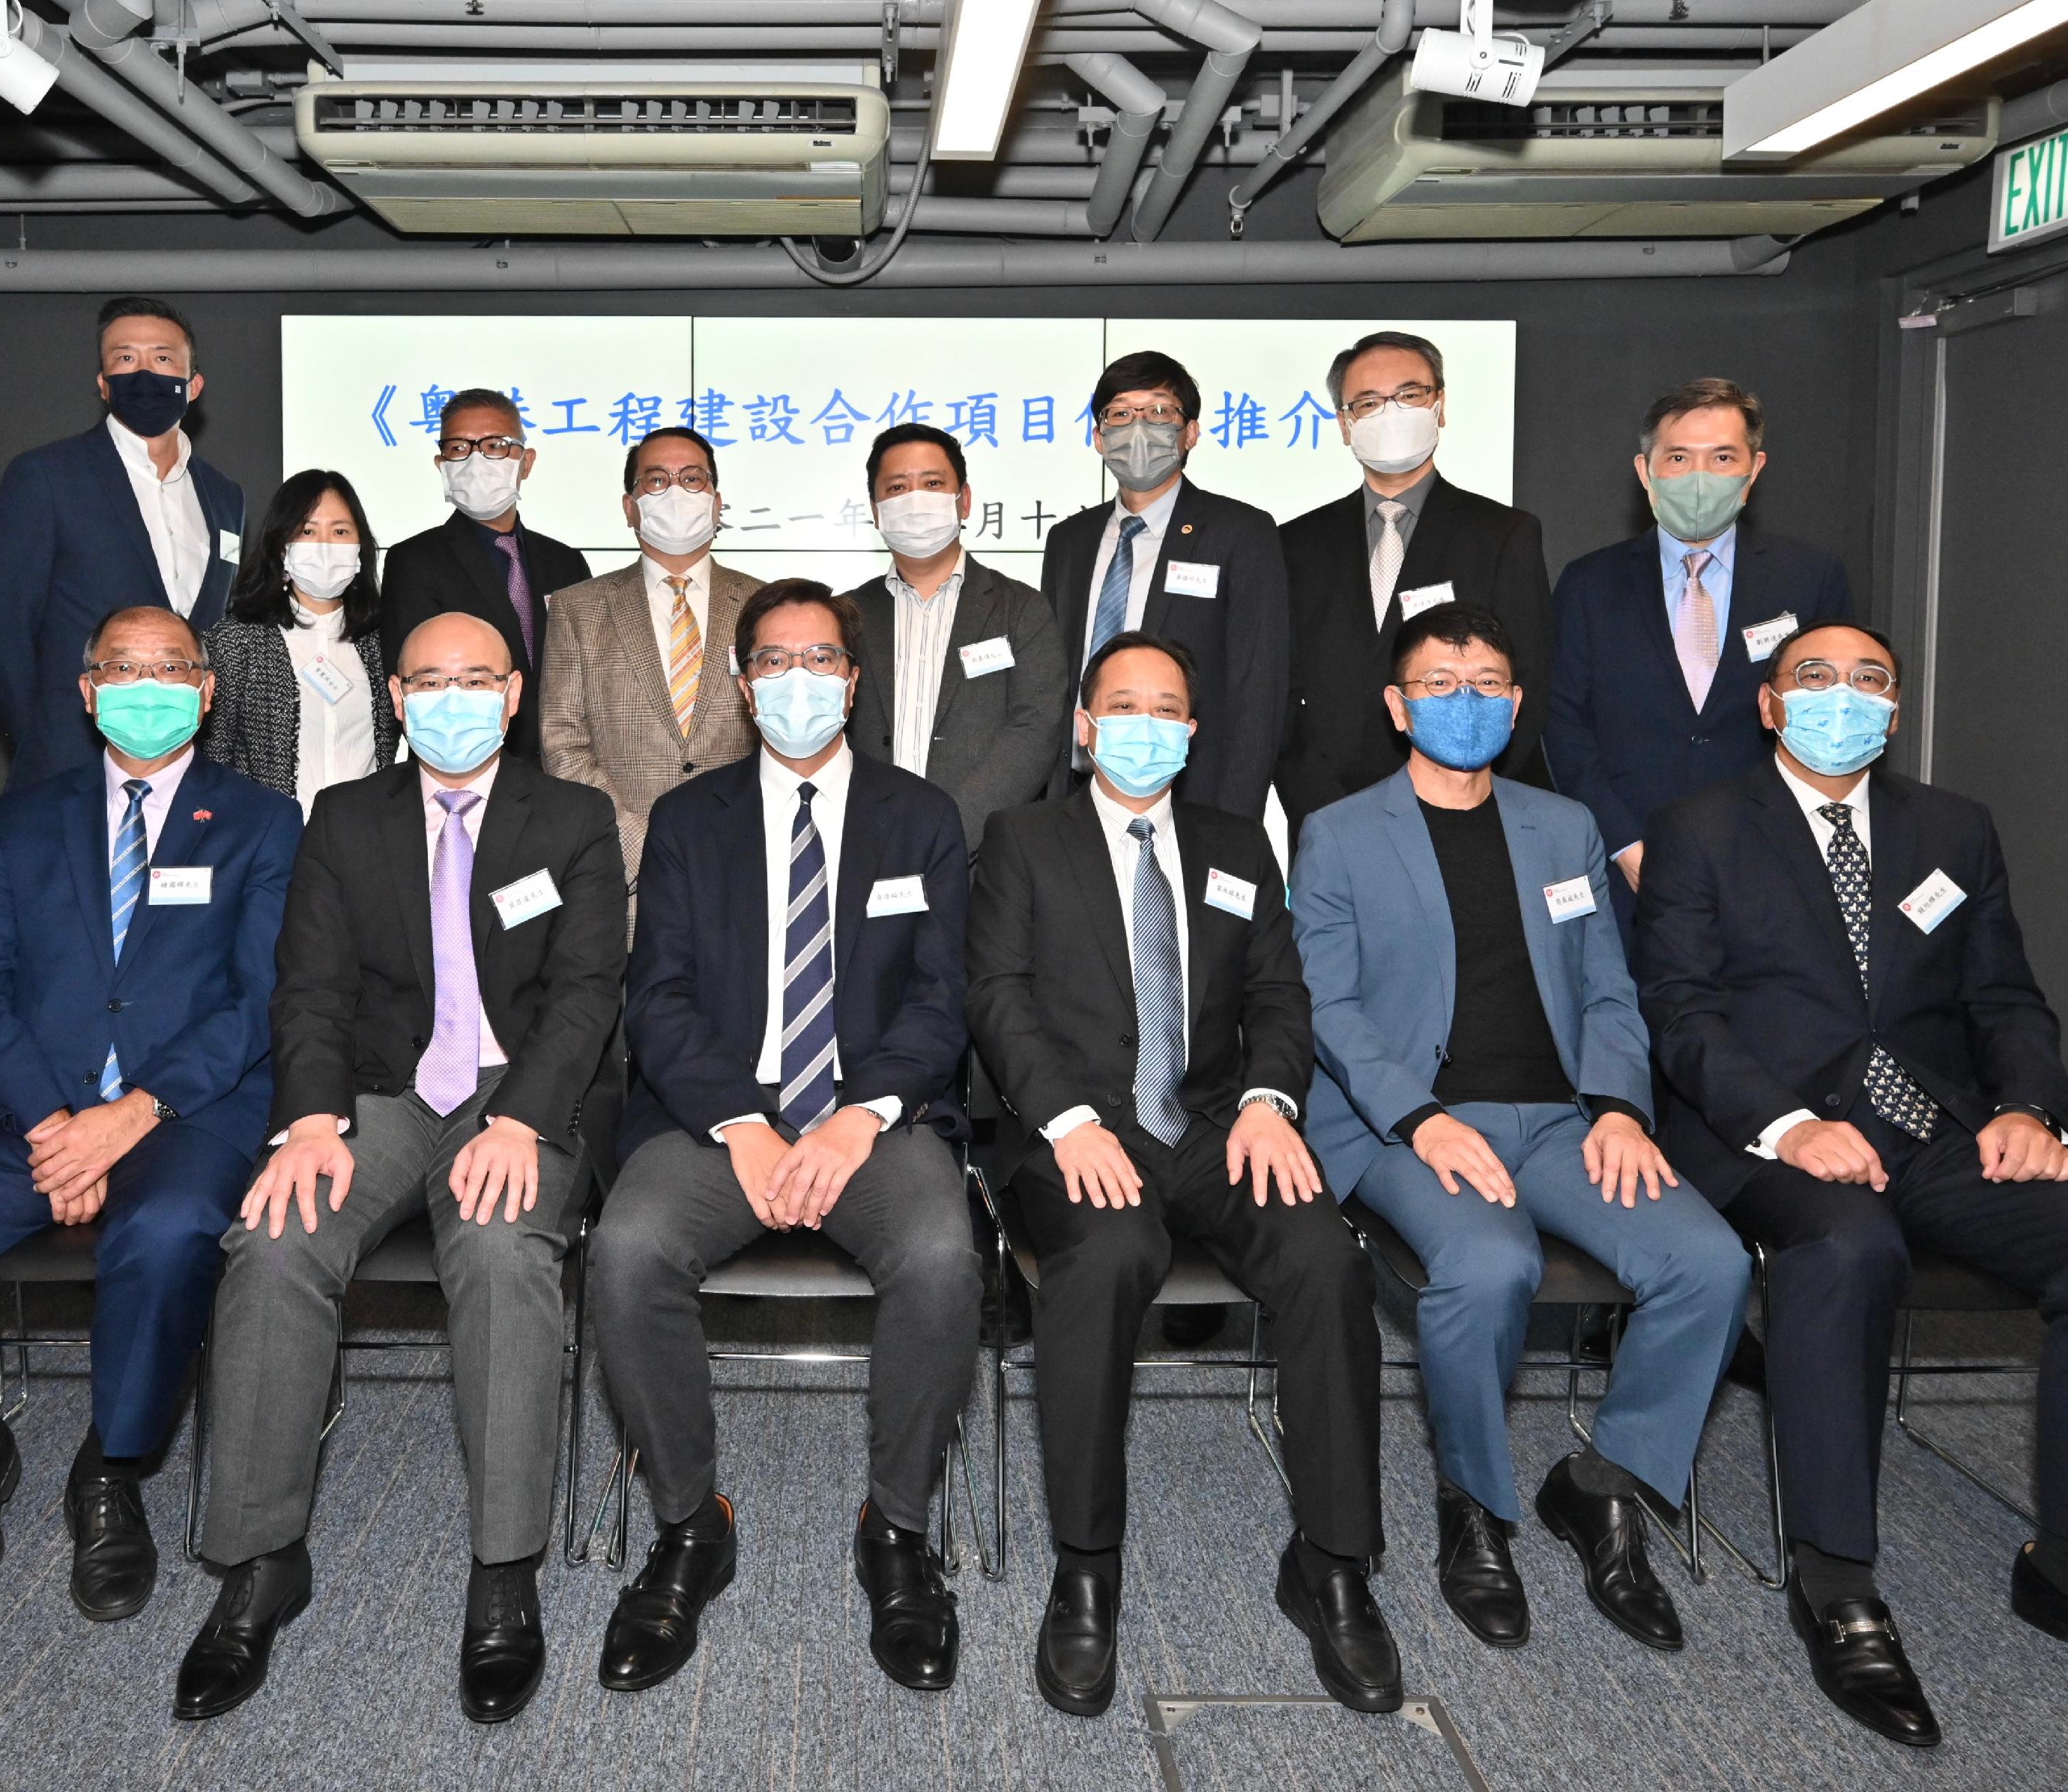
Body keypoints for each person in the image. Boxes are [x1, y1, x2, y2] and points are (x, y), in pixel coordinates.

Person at [1633, 621, 2068, 1750]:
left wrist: (2030, 1107)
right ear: (1771, 707)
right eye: (1815, 679)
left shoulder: (1954, 830)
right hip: (1771, 1133)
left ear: (1896, 705)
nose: (1846, 696)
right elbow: (1681, 1014)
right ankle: (1836, 1581)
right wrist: (1788, 1126)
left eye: (1870, 680)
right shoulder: (1700, 829)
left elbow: (2007, 999)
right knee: (1848, 1249)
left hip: (1939, 1132)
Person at [177, 612, 625, 1725]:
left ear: (514, 693)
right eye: (429, 680)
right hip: (377, 1094)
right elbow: (311, 988)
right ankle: (263, 1559)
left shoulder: (570, 819)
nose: (453, 697)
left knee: (500, 1245)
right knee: (275, 1239)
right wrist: (313, 1119)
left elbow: (585, 993)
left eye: (477, 678)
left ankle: (504, 1574)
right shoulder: (342, 819)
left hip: (514, 1093)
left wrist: (523, 1119)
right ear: (397, 699)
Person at [1293, 603, 1749, 1659]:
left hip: (1562, 1122)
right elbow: (1326, 1005)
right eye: (1441, 686)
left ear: (1516, 703)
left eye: (1488, 683)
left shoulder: (1565, 827)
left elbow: (1608, 990)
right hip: (1410, 1121)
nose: (1468, 702)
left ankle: (1603, 1484)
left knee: (1710, 1264)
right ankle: (1475, 1509)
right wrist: (1419, 1118)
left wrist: (1624, 1109)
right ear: (1399, 708)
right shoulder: (1341, 831)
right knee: (1489, 1269)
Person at [0, 606, 300, 1626]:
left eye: (170, 667)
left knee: (170, 1232)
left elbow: (260, 995)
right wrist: (56, 1123)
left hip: (187, 1110)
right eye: (121, 669)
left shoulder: (265, 821)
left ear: (207, 689)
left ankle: (111, 1470)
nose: (147, 686)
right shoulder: (15, 820)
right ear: (86, 690)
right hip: (24, 1114)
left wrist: (130, 1114)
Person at [966, 630, 1396, 1719]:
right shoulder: (1023, 839)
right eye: (1125, 704)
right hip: (1076, 1131)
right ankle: (1086, 1566)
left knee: (1325, 1259)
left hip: (1212, 1126)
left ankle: (1334, 1564)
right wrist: (1066, 1121)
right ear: (1083, 723)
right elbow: (997, 998)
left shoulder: (1237, 844)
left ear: (1194, 732)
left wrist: (1270, 1099)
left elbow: (1278, 999)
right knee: (1105, 1260)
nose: (1146, 724)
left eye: (1169, 708)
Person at [586, 580, 982, 1695]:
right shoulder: (688, 818)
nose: (798, 679)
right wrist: (747, 1125)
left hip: (876, 1116)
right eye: (773, 660)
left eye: (821, 659)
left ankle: (897, 1530)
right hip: (718, 1118)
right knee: (627, 1252)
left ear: (854, 683)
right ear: (742, 681)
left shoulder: (922, 818)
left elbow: (941, 1006)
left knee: (944, 1256)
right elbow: (654, 997)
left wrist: (859, 1115)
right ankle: (687, 1523)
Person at [1545, 378, 1853, 930]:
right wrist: (1624, 844)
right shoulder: (1589, 583)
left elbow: (1829, 719)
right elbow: (1564, 724)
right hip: (1625, 870)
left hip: (1771, 863)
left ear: (1753, 470)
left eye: (1723, 457)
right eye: (1680, 457)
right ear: (1646, 470)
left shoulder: (1809, 578)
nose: (1700, 477)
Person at [1277, 333, 1552, 830]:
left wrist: (1468, 794)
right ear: (1344, 424)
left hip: (1466, 814)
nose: (1391, 414)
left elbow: (1526, 685)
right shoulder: (1294, 544)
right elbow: (1278, 696)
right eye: (1368, 403)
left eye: (1409, 396)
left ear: (1439, 406)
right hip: (1330, 817)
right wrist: (1321, 810)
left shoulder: (1503, 534)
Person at [0, 296, 249, 788]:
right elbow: (2, 629)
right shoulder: (47, 476)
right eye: (125, 359)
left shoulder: (225, 496)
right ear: (103, 385)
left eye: (162, 358)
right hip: (69, 762)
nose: (144, 374)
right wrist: (41, 742)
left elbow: (215, 630)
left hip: (191, 765)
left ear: (194, 384)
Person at [1041, 351, 1286, 821]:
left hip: (1192, 800)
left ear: (1190, 432)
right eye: (1120, 414)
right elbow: (1057, 676)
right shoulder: (1069, 540)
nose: (1138, 427)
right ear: (1098, 437)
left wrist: (1234, 824)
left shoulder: (1240, 532)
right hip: (1075, 796)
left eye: (1158, 412)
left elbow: (1258, 692)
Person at [538, 424, 762, 887]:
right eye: (656, 480)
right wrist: (644, 845)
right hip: (622, 874)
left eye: (693, 479)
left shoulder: (765, 606)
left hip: (742, 862)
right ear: (630, 508)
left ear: (717, 503)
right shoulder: (577, 608)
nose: (675, 491)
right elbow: (563, 746)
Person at [846, 422, 1068, 849]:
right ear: (875, 511)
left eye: (932, 483)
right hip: (867, 848)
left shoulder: (1022, 609)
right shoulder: (847, 615)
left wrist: (948, 833)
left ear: (963, 500)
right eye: (897, 488)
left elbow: (1035, 730)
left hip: (984, 861)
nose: (915, 500)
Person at [379, 388, 593, 758]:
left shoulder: (565, 562)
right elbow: (417, 686)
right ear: (441, 463)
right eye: (460, 448)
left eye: (495, 445)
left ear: (526, 462)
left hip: (564, 776)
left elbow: (585, 681)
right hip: (466, 768)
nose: (477, 460)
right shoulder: (413, 561)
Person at [199, 468, 402, 814]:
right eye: (307, 531)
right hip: (270, 842)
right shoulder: (234, 640)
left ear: (360, 548)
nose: (325, 546)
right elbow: (215, 757)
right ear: (282, 548)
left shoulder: (384, 641)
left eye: (340, 531)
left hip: (367, 839)